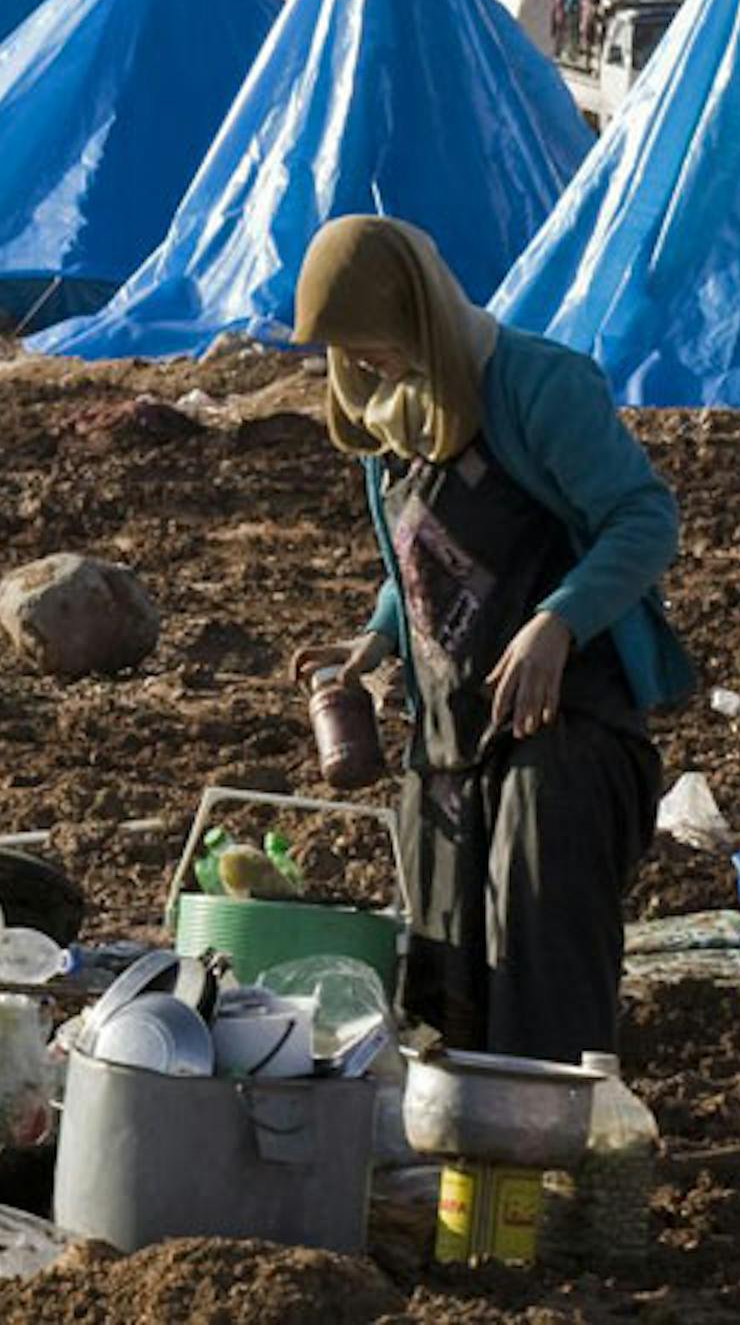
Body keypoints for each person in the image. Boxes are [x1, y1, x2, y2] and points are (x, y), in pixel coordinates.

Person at [284, 216, 688, 1063]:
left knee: (538, 962)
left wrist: (561, 619)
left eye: (369, 343)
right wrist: (377, 638)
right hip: (447, 742)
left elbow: (644, 516)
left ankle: (549, 1162)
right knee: (443, 974)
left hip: (561, 730)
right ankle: (459, 1167)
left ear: (417, 314)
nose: (358, 366)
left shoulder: (538, 386)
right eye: (342, 352)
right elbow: (427, 557)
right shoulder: (387, 418)